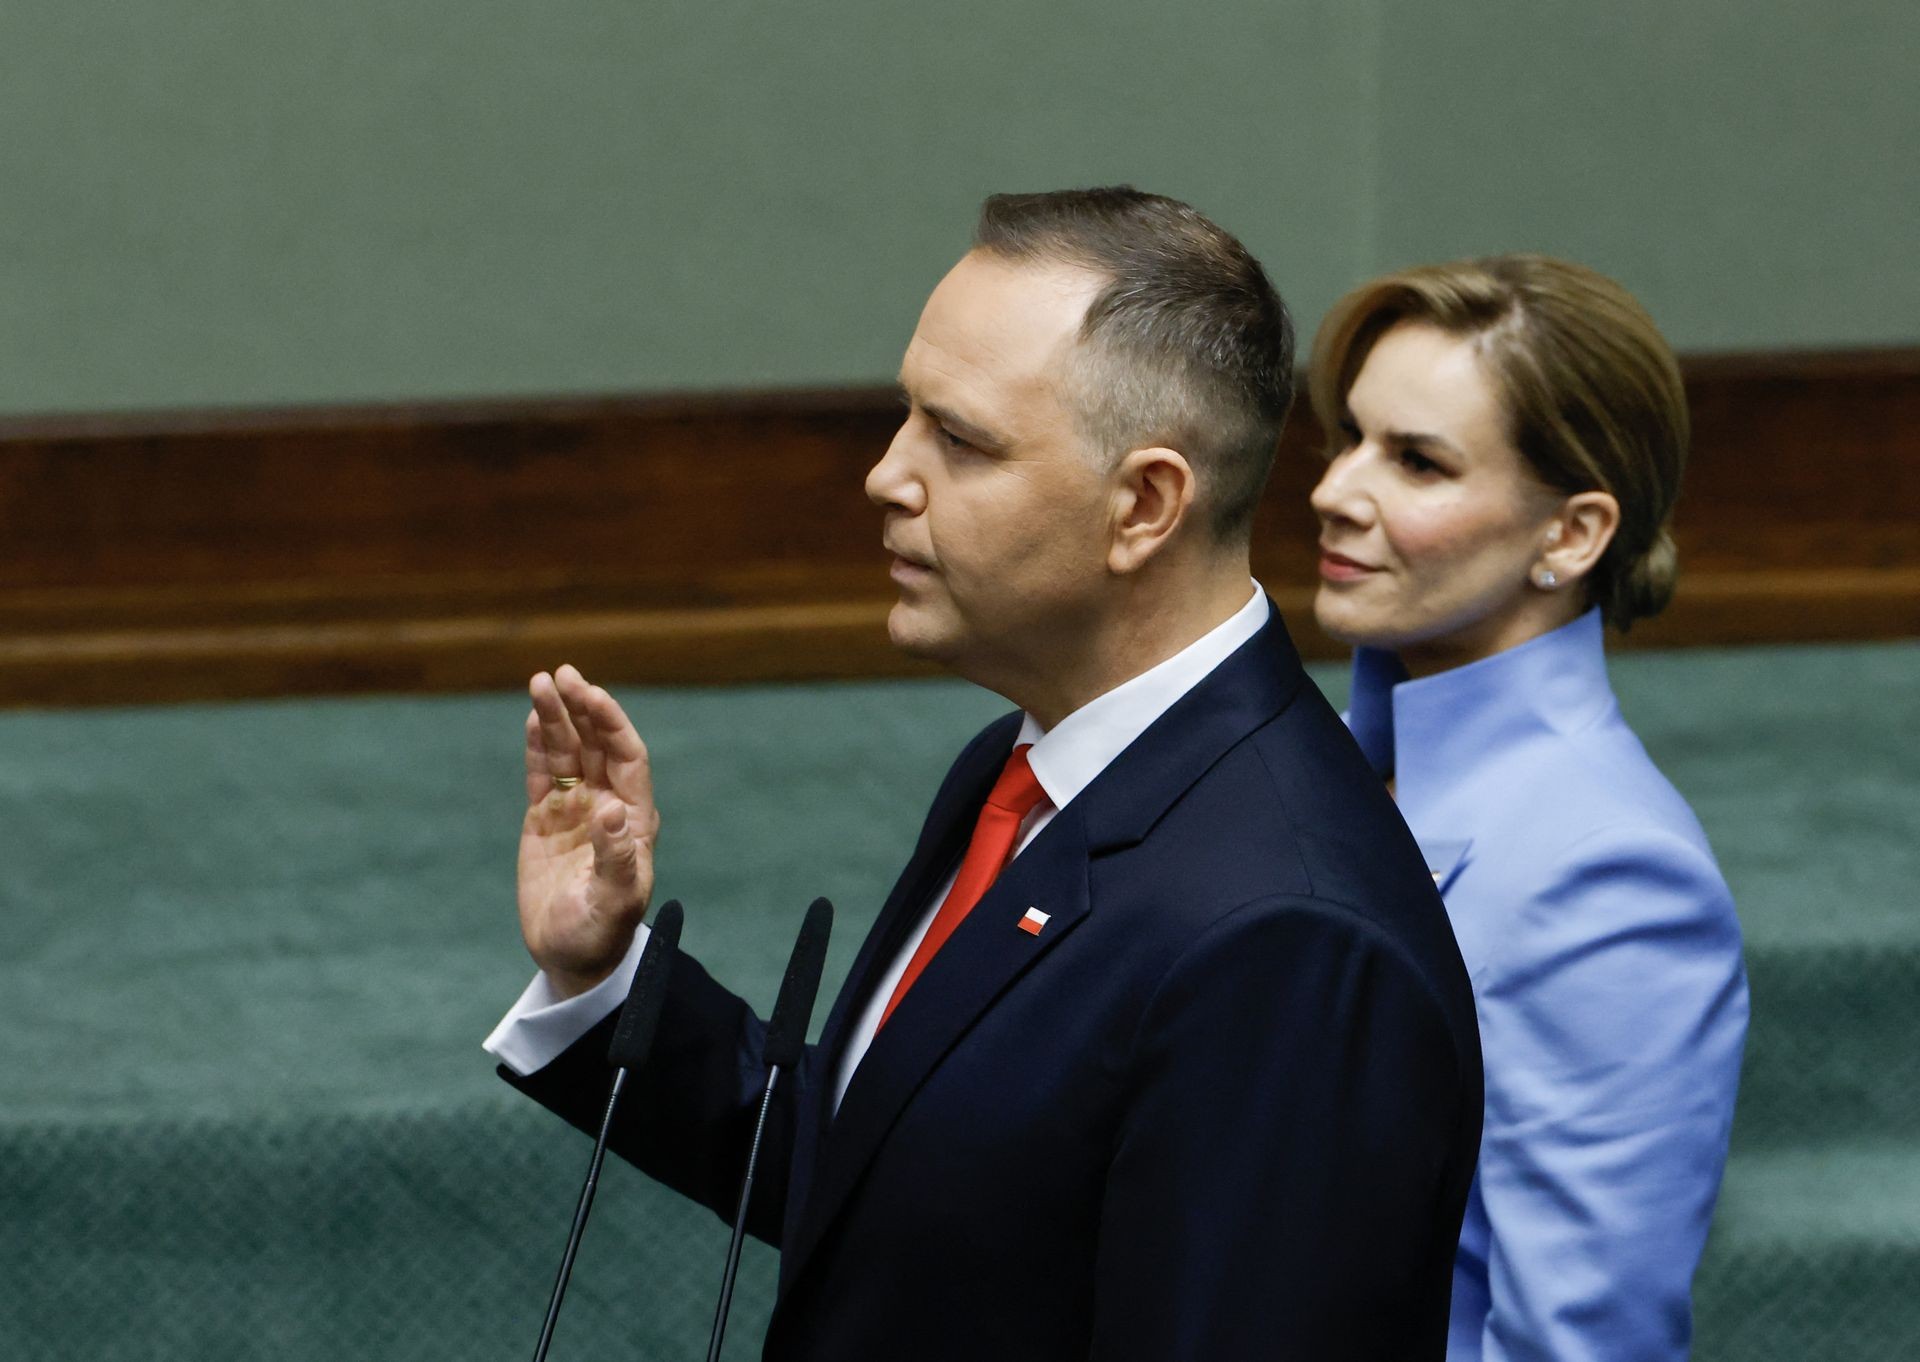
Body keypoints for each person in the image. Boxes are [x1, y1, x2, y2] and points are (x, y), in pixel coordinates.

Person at [485, 187, 1483, 1361]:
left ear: (1146, 505)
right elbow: (889, 1165)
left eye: (958, 440)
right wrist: (606, 975)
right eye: (906, 416)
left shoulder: (1293, 942)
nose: (885, 477)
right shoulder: (1026, 767)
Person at [1305, 254, 1750, 1362]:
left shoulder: (1610, 877)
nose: (1334, 490)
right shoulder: (1344, 766)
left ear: (1572, 535)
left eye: (1417, 462)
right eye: (1350, 437)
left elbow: (1580, 1346)